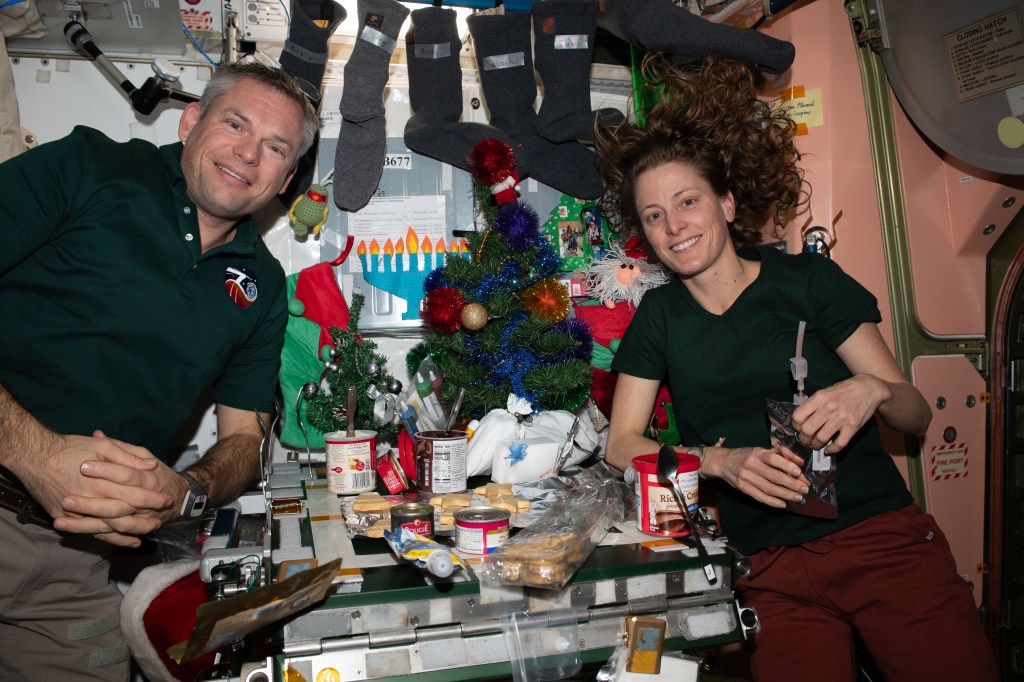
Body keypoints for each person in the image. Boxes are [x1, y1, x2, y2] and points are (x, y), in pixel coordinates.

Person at [597, 57, 998, 681]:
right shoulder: (660, 315)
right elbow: (622, 445)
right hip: (769, 567)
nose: (673, 226)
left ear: (727, 204)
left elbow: (913, 411)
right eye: (653, 215)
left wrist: (869, 390)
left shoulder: (807, 282)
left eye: (687, 201)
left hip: (876, 541)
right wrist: (718, 461)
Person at [0, 61, 319, 679]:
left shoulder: (264, 285)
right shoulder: (89, 167)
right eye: (235, 124)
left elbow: (245, 444)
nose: (248, 155)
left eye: (275, 148)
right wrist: (32, 453)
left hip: (75, 563)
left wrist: (187, 491)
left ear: (287, 176)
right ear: (192, 120)